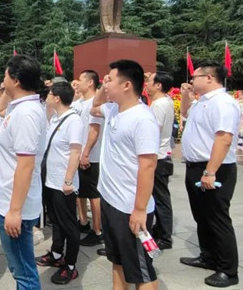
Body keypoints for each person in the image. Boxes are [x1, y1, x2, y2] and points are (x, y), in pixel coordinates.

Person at [90, 60, 159, 290]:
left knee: (142, 271)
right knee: (117, 260)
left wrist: (139, 210)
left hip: (130, 207)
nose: (105, 84)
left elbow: (148, 166)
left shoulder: (143, 118)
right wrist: (104, 86)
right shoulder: (112, 110)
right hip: (110, 201)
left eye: (110, 80)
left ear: (127, 85)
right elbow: (94, 106)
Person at [0, 55, 47, 290]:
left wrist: (14, 210)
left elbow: (26, 164)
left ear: (17, 80)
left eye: (5, 76)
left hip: (13, 205)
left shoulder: (27, 114)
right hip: (6, 199)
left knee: (24, 273)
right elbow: (1, 109)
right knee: (19, 269)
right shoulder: (19, 108)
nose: (2, 81)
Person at [179, 62, 240, 288]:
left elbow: (224, 139)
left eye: (195, 77)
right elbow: (184, 112)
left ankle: (228, 270)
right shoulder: (203, 101)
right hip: (196, 167)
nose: (191, 80)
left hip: (214, 168)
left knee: (217, 217)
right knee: (202, 216)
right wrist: (186, 95)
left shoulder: (223, 103)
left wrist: (210, 171)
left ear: (209, 78)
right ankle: (208, 256)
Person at [35, 82, 84, 285]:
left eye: (49, 94)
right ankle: (56, 254)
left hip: (64, 183)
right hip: (51, 180)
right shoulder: (56, 118)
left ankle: (70, 265)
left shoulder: (74, 121)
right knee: (55, 221)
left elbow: (75, 152)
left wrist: (68, 180)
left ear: (57, 98)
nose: (46, 97)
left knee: (69, 225)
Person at [73, 70, 104, 247]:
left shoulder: (95, 104)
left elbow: (94, 130)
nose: (77, 83)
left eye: (81, 79)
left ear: (90, 82)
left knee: (93, 194)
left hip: (91, 156)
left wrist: (86, 153)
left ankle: (97, 230)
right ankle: (83, 221)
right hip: (78, 155)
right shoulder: (78, 103)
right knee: (80, 192)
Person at [145, 71, 175, 250]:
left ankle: (165, 236)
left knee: (160, 198)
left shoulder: (159, 104)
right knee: (159, 196)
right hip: (161, 155)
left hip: (158, 157)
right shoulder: (165, 101)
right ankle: (161, 229)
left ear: (158, 85)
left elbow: (152, 131)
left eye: (149, 81)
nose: (146, 84)